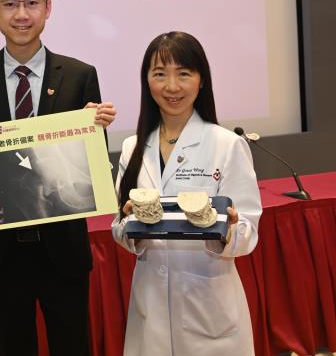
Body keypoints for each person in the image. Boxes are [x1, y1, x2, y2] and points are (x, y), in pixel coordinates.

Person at [0, 0, 116, 355]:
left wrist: (93, 130)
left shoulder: (79, 75)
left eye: (31, 3)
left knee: (72, 345)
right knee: (13, 346)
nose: (21, 14)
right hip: (1, 249)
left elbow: (90, 165)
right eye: (10, 4)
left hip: (62, 248)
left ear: (48, 8)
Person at [111, 31, 262, 355]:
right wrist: (130, 228)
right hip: (150, 308)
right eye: (159, 74)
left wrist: (229, 229)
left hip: (209, 308)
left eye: (183, 74)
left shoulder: (227, 144)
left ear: (201, 80)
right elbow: (119, 227)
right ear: (146, 81)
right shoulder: (132, 147)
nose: (172, 86)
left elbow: (248, 232)